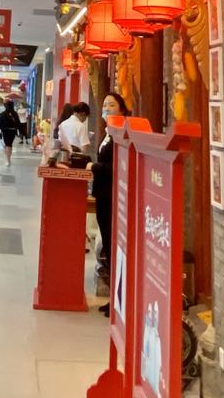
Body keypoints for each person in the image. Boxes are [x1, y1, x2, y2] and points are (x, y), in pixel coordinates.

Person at [93, 93, 129, 301]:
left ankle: (119, 297)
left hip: (114, 196)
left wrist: (94, 166)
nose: (106, 108)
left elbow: (118, 166)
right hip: (103, 195)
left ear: (122, 110)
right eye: (105, 104)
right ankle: (114, 297)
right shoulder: (109, 132)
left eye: (112, 105)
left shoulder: (121, 134)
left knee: (114, 244)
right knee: (108, 243)